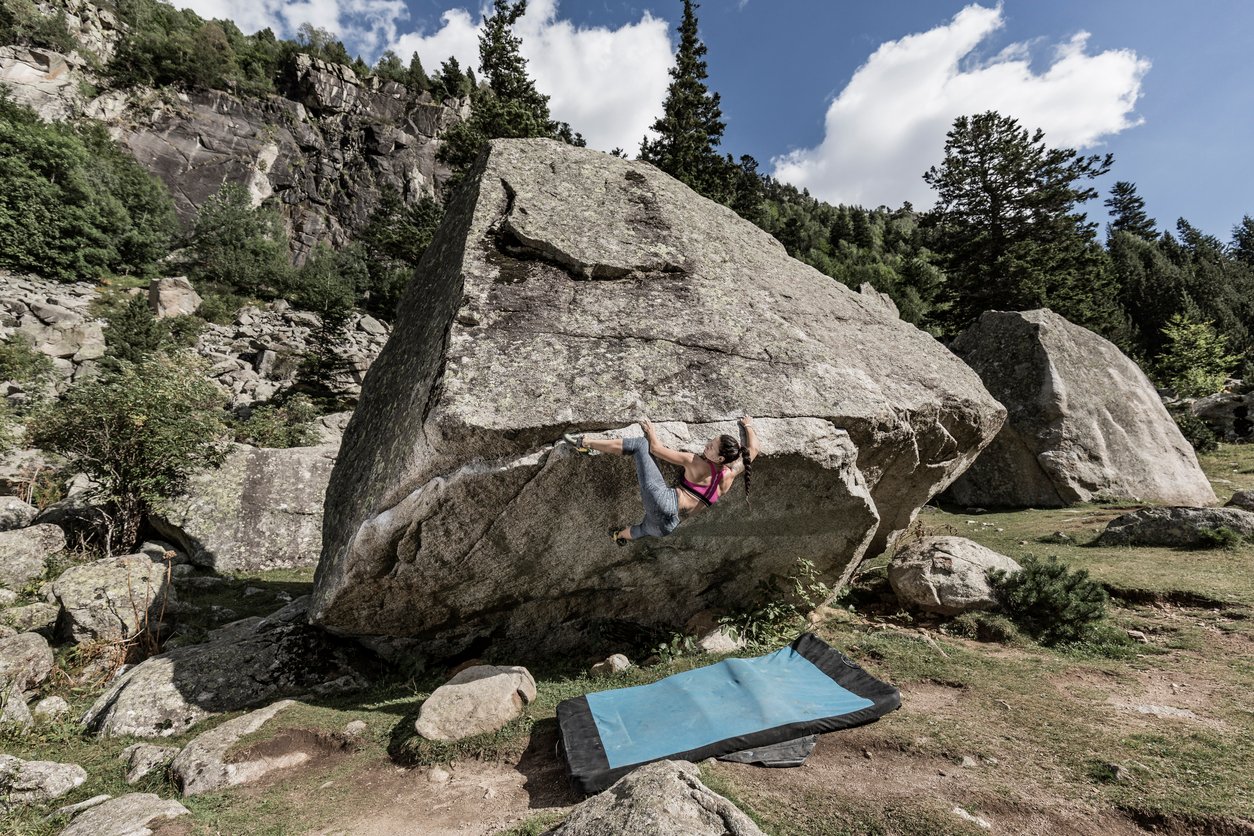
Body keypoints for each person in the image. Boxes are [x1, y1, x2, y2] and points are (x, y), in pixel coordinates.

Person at [563, 416, 759, 545]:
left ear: (720, 459)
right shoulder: (730, 474)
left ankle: (585, 443)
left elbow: (655, 449)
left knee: (640, 445)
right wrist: (748, 426)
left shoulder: (695, 462)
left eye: (711, 447)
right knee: (642, 529)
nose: (706, 445)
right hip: (670, 525)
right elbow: (754, 450)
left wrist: (651, 432)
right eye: (710, 442)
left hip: (664, 501)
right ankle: (619, 536)